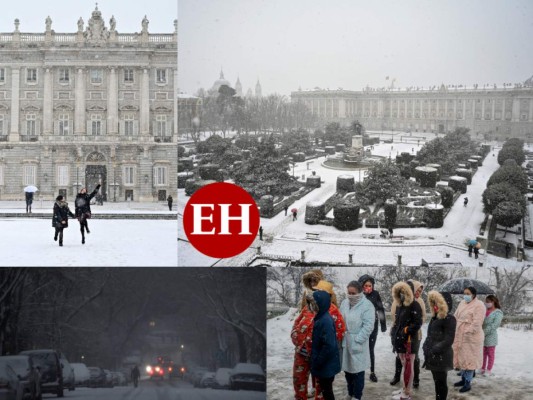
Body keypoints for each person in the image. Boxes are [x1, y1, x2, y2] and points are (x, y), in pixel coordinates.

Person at [340, 280, 375, 400]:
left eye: (353, 293)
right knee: (348, 371)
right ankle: (350, 392)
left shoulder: (367, 305)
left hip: (358, 341)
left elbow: (369, 325)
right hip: (346, 340)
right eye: (349, 292)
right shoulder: (344, 303)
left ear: (360, 292)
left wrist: (358, 339)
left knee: (358, 372)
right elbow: (340, 319)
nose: (350, 295)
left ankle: (357, 395)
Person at [390, 280, 426, 388]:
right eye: (417, 290)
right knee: (400, 357)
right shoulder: (398, 301)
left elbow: (421, 318)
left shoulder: (418, 302)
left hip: (414, 335)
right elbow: (394, 316)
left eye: (420, 291)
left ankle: (414, 380)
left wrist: (408, 328)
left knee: (413, 359)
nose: (418, 293)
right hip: (399, 334)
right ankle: (397, 377)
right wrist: (397, 330)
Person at [422, 291, 457, 400]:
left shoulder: (450, 319)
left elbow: (448, 339)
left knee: (441, 383)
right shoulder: (435, 317)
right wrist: (426, 346)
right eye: (433, 303)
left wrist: (434, 349)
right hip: (432, 356)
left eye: (437, 303)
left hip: (442, 357)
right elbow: (430, 335)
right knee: (437, 382)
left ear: (444, 304)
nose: (435, 306)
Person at [452, 286, 486, 393]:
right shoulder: (462, 303)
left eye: (468, 293)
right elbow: (456, 315)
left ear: (474, 295)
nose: (465, 295)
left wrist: (468, 330)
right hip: (460, 334)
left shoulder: (479, 305)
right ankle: (463, 379)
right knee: (462, 358)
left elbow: (477, 322)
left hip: (471, 337)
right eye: (464, 293)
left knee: (470, 360)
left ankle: (468, 383)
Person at [309, 290, 341, 400]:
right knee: (326, 390)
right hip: (325, 364)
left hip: (326, 365)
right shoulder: (321, 317)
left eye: (314, 304)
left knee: (327, 392)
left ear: (321, 304)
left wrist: (318, 361)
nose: (312, 307)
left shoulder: (325, 321)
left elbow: (329, 346)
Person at [358, 275, 387, 383]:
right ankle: (359, 371)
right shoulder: (358, 295)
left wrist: (383, 324)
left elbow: (380, 309)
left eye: (370, 285)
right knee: (360, 349)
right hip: (360, 327)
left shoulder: (375, 294)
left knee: (370, 349)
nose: (368, 287)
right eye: (366, 285)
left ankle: (372, 372)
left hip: (373, 326)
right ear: (361, 286)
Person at [481, 295, 504, 377]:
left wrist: (485, 331)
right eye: (486, 302)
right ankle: (482, 368)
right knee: (482, 353)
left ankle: (488, 370)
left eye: (488, 302)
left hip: (491, 336)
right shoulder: (484, 311)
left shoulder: (498, 313)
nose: (486, 303)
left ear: (493, 302)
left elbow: (495, 325)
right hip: (482, 335)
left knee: (490, 354)